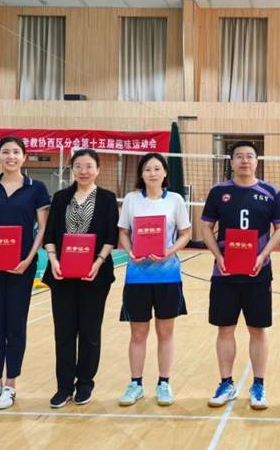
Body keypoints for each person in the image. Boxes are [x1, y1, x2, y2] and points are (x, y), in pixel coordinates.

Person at [200, 141, 280, 410]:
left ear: (257, 161)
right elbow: (206, 227)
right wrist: (218, 256)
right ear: (232, 162)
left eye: (249, 156)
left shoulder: (271, 192)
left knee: (257, 329)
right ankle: (226, 383)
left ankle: (258, 385)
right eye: (239, 156)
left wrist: (263, 256)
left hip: (258, 272)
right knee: (225, 328)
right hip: (225, 272)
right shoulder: (218, 192)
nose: (244, 161)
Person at [0, 136, 51, 410]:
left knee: (15, 325)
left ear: (24, 156)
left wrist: (29, 259)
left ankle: (11, 385)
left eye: (16, 152)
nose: (11, 156)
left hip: (22, 267)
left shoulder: (36, 188)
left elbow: (42, 228)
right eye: (5, 152)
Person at [42, 149, 119, 408]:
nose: (83, 171)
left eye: (88, 166)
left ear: (97, 169)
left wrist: (98, 262)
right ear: (72, 169)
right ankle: (63, 387)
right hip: (61, 274)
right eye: (78, 166)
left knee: (89, 331)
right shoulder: (61, 197)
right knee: (63, 333)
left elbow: (111, 236)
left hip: (94, 275)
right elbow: (49, 233)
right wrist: (53, 260)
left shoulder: (107, 198)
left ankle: (85, 383)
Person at [117, 153, 192, 407]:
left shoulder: (175, 200)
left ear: (165, 173)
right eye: (147, 169)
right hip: (137, 276)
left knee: (165, 331)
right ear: (141, 174)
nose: (152, 173)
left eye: (157, 168)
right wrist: (130, 252)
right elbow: (123, 232)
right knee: (138, 333)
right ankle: (136, 384)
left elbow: (185, 233)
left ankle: (164, 383)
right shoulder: (131, 199)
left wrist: (169, 252)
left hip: (167, 275)